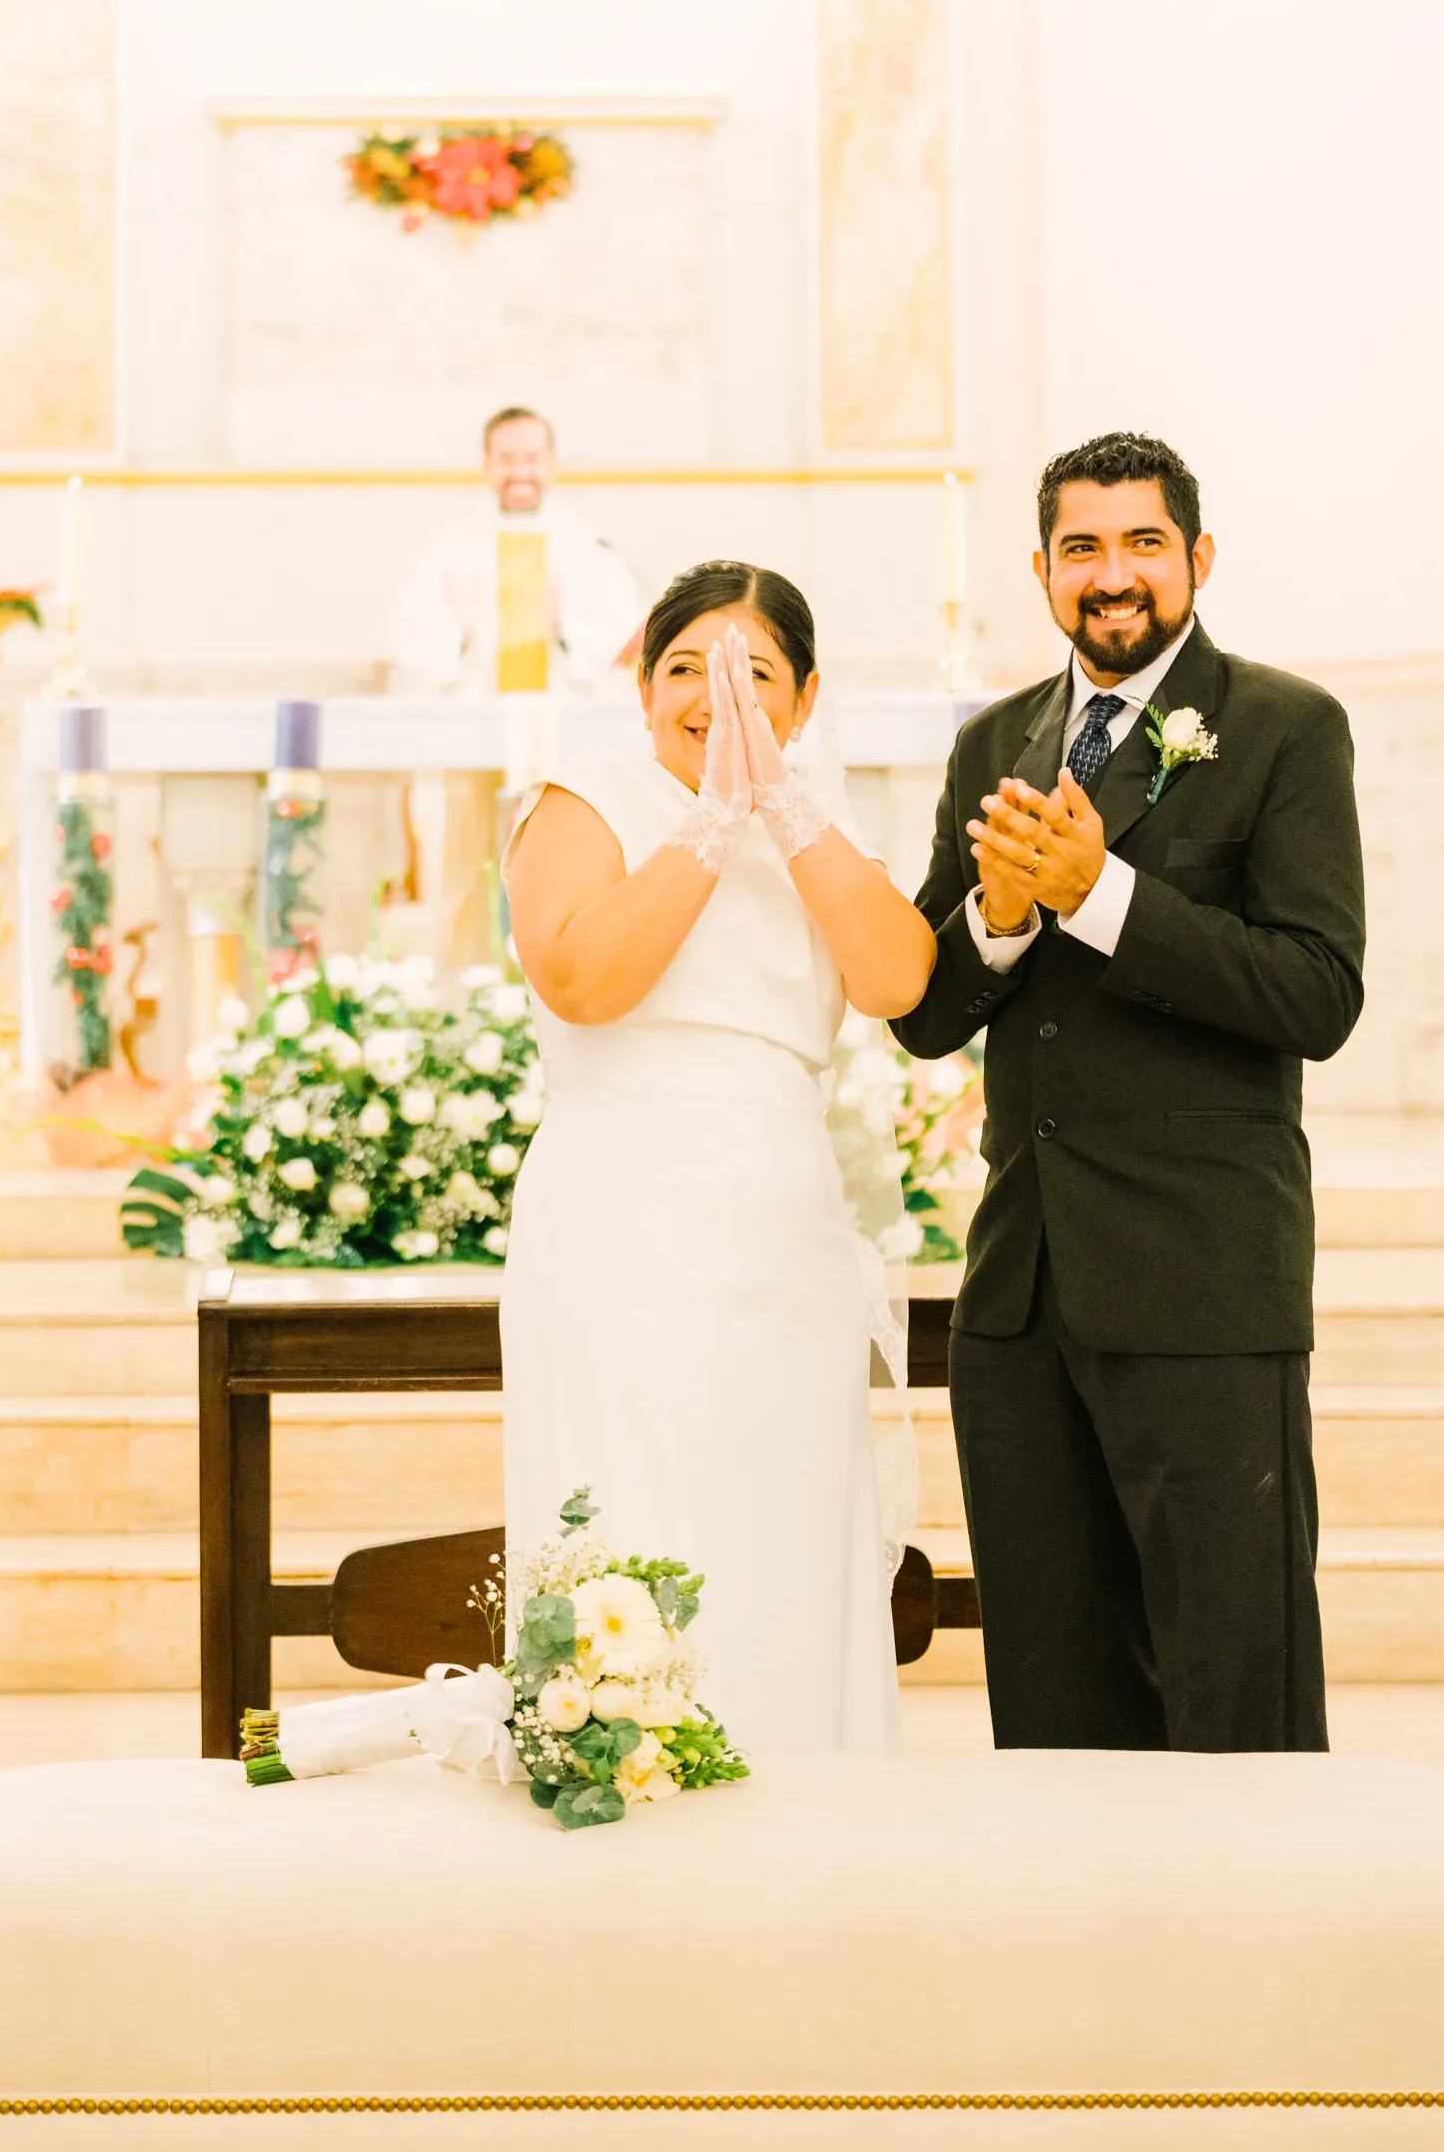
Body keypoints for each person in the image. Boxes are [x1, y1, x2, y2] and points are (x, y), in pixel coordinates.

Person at [891, 431, 1366, 1753]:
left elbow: (1316, 992)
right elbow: (923, 1013)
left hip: (1201, 1282)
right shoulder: (992, 740)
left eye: (1142, 542)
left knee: (1234, 1687)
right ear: (1041, 569)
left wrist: (1098, 895)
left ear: (1197, 556)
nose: (1112, 573)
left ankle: (1252, 1898)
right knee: (1053, 1701)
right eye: (1082, 547)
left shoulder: (1281, 726)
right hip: (1022, 1294)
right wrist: (996, 919)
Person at [500, 561, 937, 1755]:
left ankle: (804, 1794)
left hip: (779, 1236)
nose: (714, 694)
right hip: (617, 1226)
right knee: (630, 1510)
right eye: (685, 667)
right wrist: (710, 819)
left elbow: (897, 977)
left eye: (751, 671)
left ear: (804, 697)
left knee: (784, 1523)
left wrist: (778, 808)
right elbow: (583, 979)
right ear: (643, 686)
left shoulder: (817, 830)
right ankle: (627, 1776)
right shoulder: (585, 799)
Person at [388, 407, 643, 696]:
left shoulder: (588, 548)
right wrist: (461, 638)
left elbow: (618, 651)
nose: (520, 472)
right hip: (475, 709)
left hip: (562, 709)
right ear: (486, 464)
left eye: (532, 459)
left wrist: (565, 626)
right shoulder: (451, 549)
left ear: (551, 462)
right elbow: (411, 649)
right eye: (506, 459)